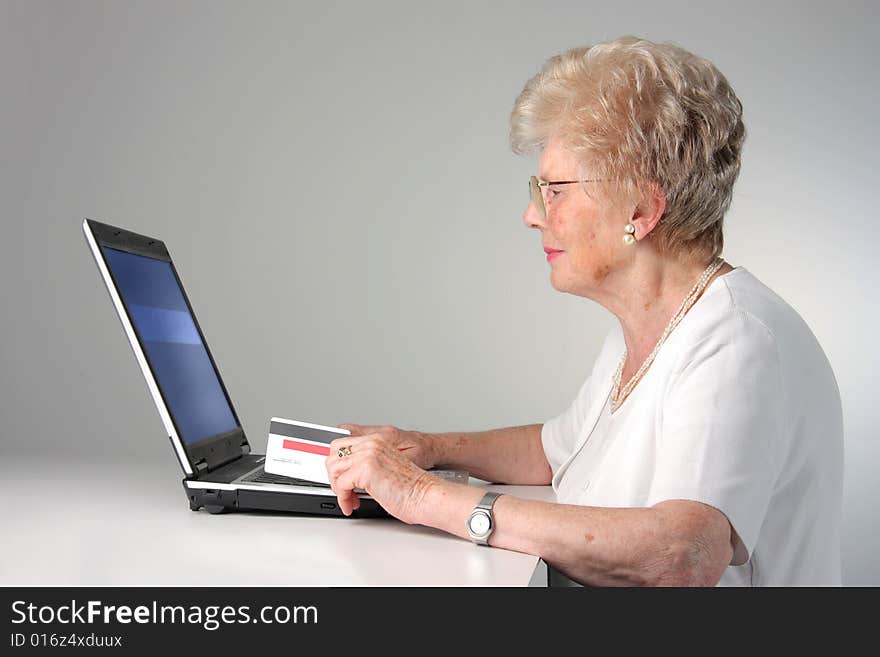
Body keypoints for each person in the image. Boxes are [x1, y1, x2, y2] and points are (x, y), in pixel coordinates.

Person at [324, 36, 843, 586]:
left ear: (640, 209)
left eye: (555, 190)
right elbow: (555, 452)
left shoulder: (736, 342)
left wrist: (420, 494)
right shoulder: (650, 326)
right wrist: (428, 448)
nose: (532, 214)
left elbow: (683, 553)